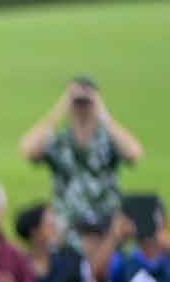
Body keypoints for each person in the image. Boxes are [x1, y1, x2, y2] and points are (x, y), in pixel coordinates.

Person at [18, 76, 144, 238]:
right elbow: (28, 150)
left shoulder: (109, 141)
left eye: (87, 101)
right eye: (77, 101)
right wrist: (59, 111)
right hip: (66, 225)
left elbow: (134, 153)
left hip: (105, 226)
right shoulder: (60, 141)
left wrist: (104, 116)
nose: (82, 106)